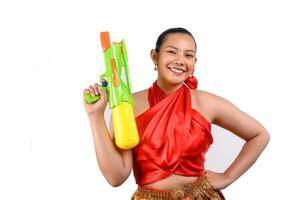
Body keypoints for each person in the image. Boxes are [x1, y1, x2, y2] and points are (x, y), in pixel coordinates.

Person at [83, 27, 270, 200]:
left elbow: (259, 135)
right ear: (155, 56)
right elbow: (116, 176)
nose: (180, 60)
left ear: (194, 63)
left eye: (188, 55)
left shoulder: (206, 102)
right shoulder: (127, 106)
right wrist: (95, 116)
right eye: (172, 51)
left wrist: (228, 176)